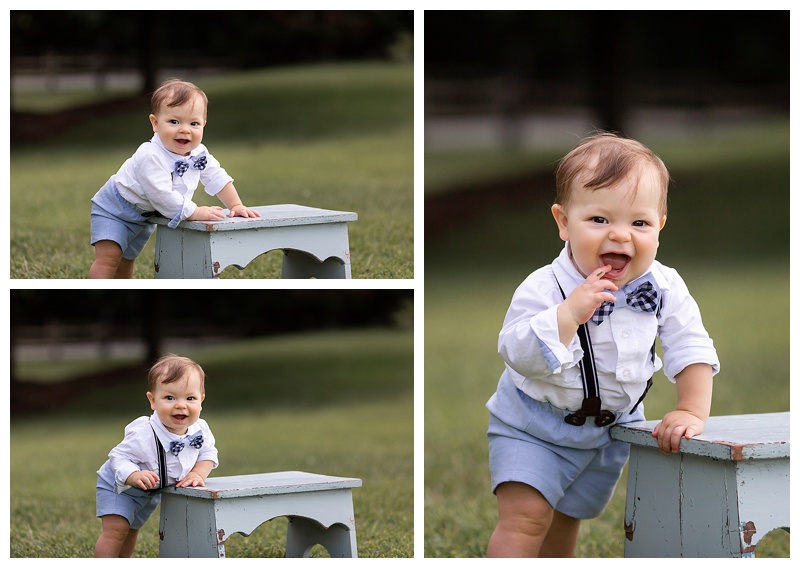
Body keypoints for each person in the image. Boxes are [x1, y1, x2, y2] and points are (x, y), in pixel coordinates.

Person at [485, 132, 719, 557]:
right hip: (533, 425)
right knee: (525, 519)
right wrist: (567, 315)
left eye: (639, 223)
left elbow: (690, 345)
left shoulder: (664, 285)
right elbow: (516, 352)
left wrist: (690, 409)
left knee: (563, 523)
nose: (621, 235)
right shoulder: (546, 287)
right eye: (599, 220)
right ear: (563, 222)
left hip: (609, 433)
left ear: (660, 227)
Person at [89, 78, 261, 278]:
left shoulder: (199, 153)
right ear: (155, 123)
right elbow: (161, 195)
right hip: (114, 209)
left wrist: (235, 204)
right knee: (110, 258)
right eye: (174, 121)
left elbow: (216, 176)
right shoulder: (150, 155)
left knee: (126, 261)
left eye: (194, 123)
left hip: (145, 216)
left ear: (203, 125)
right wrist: (194, 212)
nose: (185, 129)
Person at [94, 354, 219, 557]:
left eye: (190, 398)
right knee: (116, 531)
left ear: (201, 401)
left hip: (150, 492)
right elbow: (118, 457)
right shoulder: (144, 432)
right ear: (153, 400)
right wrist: (133, 475)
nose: (181, 405)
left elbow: (208, 453)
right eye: (170, 398)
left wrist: (198, 473)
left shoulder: (200, 429)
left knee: (132, 530)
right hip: (119, 487)